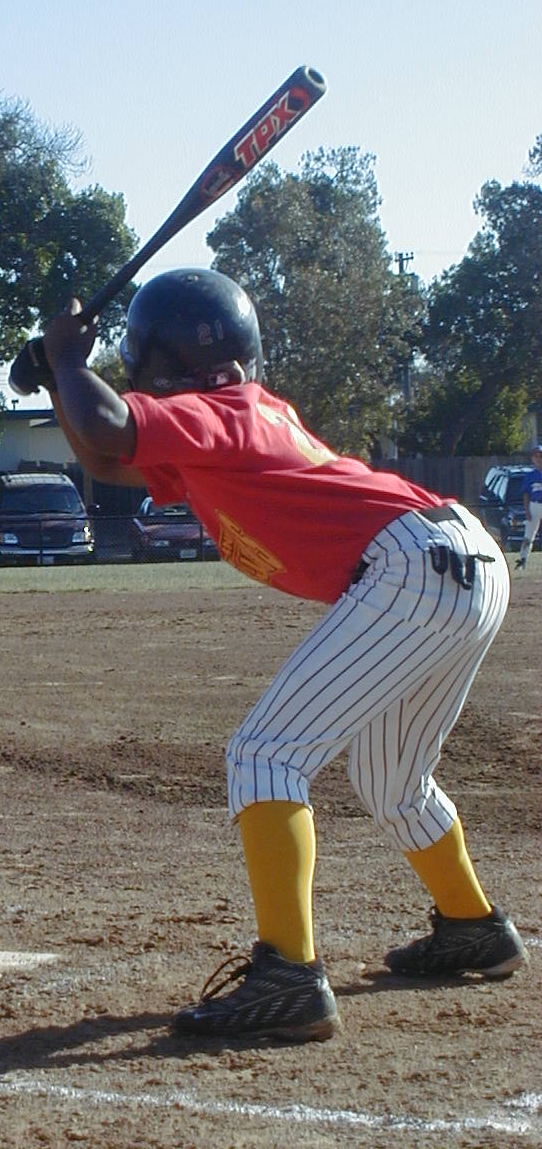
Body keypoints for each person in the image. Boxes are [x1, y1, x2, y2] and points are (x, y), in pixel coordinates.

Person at [40, 267, 526, 1044]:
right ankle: (474, 927)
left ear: (161, 365)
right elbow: (105, 459)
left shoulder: (222, 413)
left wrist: (68, 358)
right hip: (459, 561)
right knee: (392, 780)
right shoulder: (229, 423)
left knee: (265, 755)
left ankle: (289, 977)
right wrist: (57, 377)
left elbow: (106, 427)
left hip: (413, 567)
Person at [513, 444, 542, 570]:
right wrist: (527, 511)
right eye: (536, 457)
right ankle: (523, 559)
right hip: (534, 505)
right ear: (533, 459)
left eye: (541, 456)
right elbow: (526, 494)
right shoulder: (530, 476)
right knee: (529, 535)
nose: (539, 459)